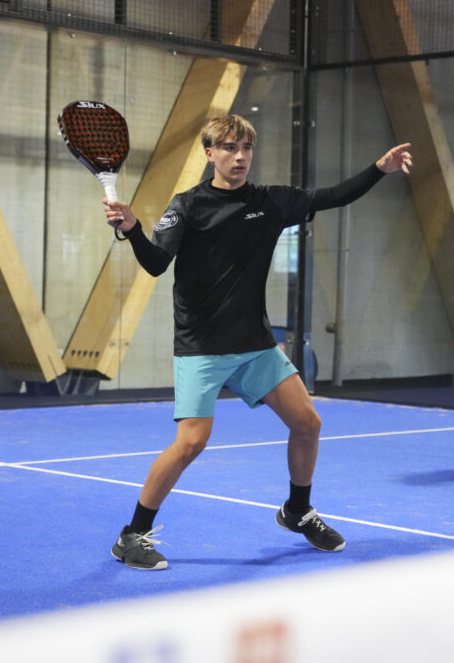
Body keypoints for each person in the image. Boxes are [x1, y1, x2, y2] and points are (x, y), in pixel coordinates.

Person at [103, 113, 412, 569]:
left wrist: (378, 170)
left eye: (245, 148)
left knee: (307, 423)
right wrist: (131, 228)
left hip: (254, 345)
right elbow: (155, 263)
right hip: (202, 346)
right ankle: (132, 536)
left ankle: (297, 510)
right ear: (210, 154)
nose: (240, 156)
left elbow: (332, 197)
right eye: (229, 148)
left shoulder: (272, 202)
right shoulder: (186, 206)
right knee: (191, 442)